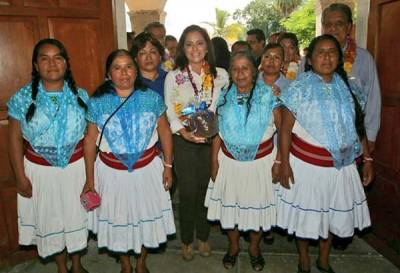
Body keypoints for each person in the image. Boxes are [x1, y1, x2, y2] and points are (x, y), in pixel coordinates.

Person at [276, 34, 374, 273]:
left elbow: (358, 127)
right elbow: (286, 130)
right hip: (306, 167)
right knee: (305, 217)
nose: (327, 56)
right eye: (321, 52)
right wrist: (284, 163)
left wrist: (368, 159)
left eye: (332, 52)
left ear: (339, 58)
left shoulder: (348, 88)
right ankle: (304, 259)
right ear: (309, 59)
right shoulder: (298, 88)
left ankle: (323, 258)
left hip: (341, 168)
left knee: (331, 216)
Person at [84, 49, 175, 273]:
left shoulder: (152, 99)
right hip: (110, 173)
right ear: (108, 73)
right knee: (119, 220)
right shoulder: (97, 102)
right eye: (117, 67)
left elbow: (164, 131)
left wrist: (168, 167)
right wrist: (89, 178)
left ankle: (142, 262)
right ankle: (125, 264)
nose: (123, 73)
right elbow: (89, 141)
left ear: (136, 71)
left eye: (128, 67)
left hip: (148, 171)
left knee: (146, 218)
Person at [7, 38, 89, 273]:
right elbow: (13, 139)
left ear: (66, 63)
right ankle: (61, 267)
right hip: (39, 172)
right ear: (35, 65)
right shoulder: (22, 98)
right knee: (50, 220)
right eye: (45, 58)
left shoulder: (81, 96)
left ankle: (77, 264)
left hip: (76, 169)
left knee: (75, 218)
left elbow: (90, 137)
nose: (52, 64)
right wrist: (19, 177)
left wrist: (92, 176)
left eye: (58, 57)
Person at [205, 51, 281, 271]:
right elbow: (217, 131)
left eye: (245, 68)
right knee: (231, 210)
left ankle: (255, 248)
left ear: (254, 70)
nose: (240, 73)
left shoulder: (269, 95)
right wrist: (214, 161)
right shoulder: (223, 95)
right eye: (235, 69)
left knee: (256, 210)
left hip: (261, 165)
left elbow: (284, 129)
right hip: (229, 164)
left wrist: (279, 161)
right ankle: (234, 246)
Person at [164, 24, 229, 261]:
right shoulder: (174, 76)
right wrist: (182, 132)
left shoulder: (221, 75)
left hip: (212, 142)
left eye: (199, 43)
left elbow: (224, 107)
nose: (195, 48)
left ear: (207, 46)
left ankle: (203, 237)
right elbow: (169, 109)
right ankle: (186, 240)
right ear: (183, 48)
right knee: (188, 192)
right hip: (185, 141)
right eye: (189, 44)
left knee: (206, 190)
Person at [322, 3, 381, 153]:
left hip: (352, 137)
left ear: (349, 27)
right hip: (317, 137)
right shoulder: (310, 58)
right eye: (328, 24)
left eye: (339, 24)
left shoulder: (363, 58)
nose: (333, 29)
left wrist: (371, 136)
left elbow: (373, 99)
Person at [131, 32, 167, 99]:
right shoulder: (131, 82)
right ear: (135, 58)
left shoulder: (170, 78)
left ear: (160, 56)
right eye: (142, 53)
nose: (148, 57)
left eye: (152, 52)